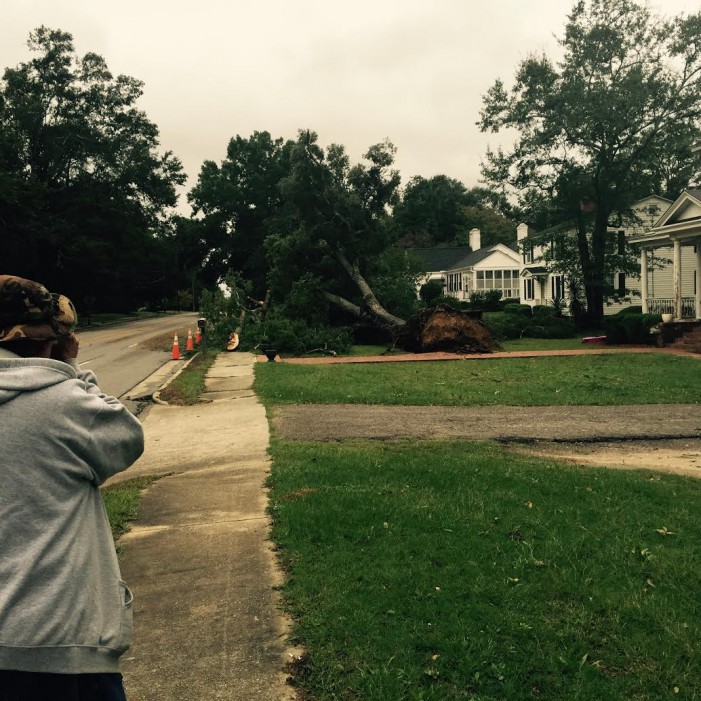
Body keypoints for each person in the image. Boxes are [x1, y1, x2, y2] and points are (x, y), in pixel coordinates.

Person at [0, 275, 145, 701]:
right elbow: (126, 437)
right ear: (55, 338)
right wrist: (73, 371)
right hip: (60, 645)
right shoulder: (66, 403)